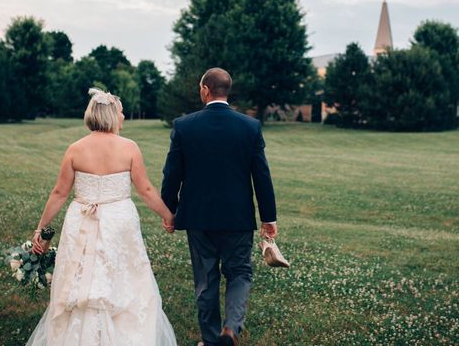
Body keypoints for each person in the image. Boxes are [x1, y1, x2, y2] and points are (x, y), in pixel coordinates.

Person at [26, 88, 177, 346]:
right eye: (120, 112)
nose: (124, 117)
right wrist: (169, 216)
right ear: (110, 115)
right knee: (123, 276)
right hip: (119, 221)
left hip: (81, 220)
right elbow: (146, 190)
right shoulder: (129, 147)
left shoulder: (75, 149)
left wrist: (41, 227)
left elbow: (60, 192)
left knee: (79, 277)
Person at [161, 68, 278, 346]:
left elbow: (172, 174)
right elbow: (262, 175)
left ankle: (212, 339)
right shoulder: (249, 127)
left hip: (198, 217)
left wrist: (170, 211)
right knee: (239, 272)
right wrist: (268, 217)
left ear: (204, 89)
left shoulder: (184, 126)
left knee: (206, 279)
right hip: (237, 217)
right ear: (228, 90)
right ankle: (231, 329)